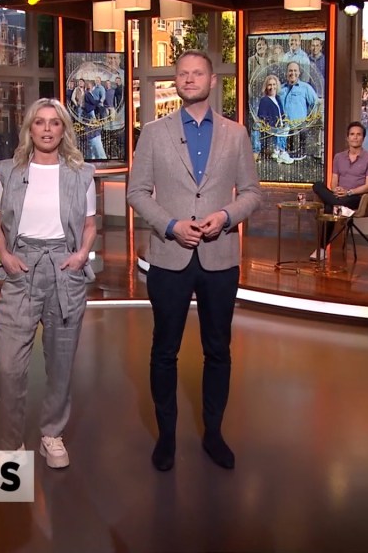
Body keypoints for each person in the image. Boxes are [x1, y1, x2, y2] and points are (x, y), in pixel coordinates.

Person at [127, 49, 262, 472]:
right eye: (182, 73)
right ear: (176, 80)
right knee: (164, 350)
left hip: (220, 258)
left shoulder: (236, 134)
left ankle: (214, 434)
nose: (189, 79)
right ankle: (166, 437)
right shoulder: (154, 132)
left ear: (212, 80)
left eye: (197, 73)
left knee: (218, 350)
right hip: (170, 257)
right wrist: (170, 225)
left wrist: (225, 216)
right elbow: (136, 192)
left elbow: (252, 193)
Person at [0, 98, 97, 470]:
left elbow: (89, 225)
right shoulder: (8, 171)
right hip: (21, 268)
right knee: (8, 367)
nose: (47, 129)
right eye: (40, 122)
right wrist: (5, 256)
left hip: (65, 270)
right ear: (29, 129)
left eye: (54, 122)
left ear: (63, 129)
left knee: (61, 364)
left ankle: (52, 435)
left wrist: (81, 255)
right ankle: (11, 445)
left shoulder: (81, 174)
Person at [310, 121, 368, 260]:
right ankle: (338, 205)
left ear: (363, 138)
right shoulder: (338, 157)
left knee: (329, 206)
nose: (355, 137)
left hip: (356, 197)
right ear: (347, 138)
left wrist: (348, 192)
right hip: (339, 196)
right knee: (317, 185)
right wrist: (336, 190)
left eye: (358, 134)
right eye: (352, 134)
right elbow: (334, 180)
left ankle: (321, 249)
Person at [279, 61, 318, 161]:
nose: (293, 73)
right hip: (284, 129)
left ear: (299, 72)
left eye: (295, 70)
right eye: (290, 71)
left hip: (300, 128)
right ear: (286, 73)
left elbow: (316, 103)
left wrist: (311, 119)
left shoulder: (306, 88)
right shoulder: (281, 88)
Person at [253, 74, 289, 164]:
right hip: (273, 129)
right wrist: (272, 125)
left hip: (281, 128)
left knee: (287, 129)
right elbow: (262, 116)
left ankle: (280, 151)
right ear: (266, 87)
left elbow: (281, 113)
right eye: (269, 85)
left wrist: (284, 122)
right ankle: (280, 152)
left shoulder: (278, 98)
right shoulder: (264, 100)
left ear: (277, 85)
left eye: (274, 84)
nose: (272, 87)